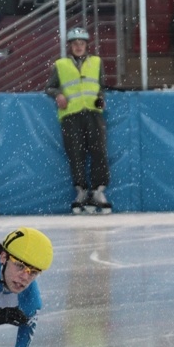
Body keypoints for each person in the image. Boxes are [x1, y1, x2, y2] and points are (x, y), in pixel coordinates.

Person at [45, 27, 112, 215]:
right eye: (75, 44)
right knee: (76, 153)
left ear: (86, 45)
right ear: (70, 46)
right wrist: (58, 94)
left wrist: (100, 97)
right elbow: (49, 87)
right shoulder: (60, 65)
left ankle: (98, 190)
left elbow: (100, 85)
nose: (78, 46)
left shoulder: (97, 62)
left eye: (81, 43)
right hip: (71, 115)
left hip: (93, 113)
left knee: (98, 150)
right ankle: (81, 191)